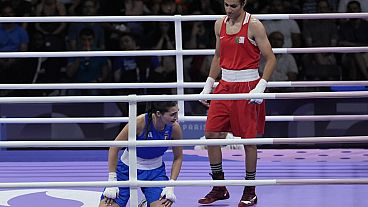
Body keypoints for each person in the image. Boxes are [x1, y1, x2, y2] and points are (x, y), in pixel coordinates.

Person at [198, 0, 276, 206]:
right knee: (212, 134)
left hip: (247, 85)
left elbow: (271, 59)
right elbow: (217, 55)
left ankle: (250, 190)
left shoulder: (254, 25)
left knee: (249, 141)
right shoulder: (219, 24)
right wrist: (209, 84)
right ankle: (219, 187)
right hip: (224, 85)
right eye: (226, 5)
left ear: (244, 4)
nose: (229, 10)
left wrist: (261, 86)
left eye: (234, 6)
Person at [99, 101, 183, 207]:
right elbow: (114, 147)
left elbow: (178, 157)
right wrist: (112, 180)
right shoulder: (139, 122)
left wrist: (171, 185)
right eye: (172, 114)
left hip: (155, 173)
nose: (176, 117)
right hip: (126, 170)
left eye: (177, 113)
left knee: (163, 206)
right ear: (158, 113)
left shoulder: (174, 128)